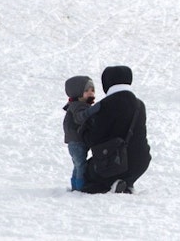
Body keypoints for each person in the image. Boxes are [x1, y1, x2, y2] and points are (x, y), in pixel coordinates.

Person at [77, 65, 150, 195]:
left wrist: (83, 131)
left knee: (88, 172)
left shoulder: (105, 105)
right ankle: (125, 184)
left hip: (114, 163)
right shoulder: (140, 104)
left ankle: (111, 185)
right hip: (140, 162)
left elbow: (94, 138)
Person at [62, 77, 95, 191]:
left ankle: (75, 186)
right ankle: (80, 187)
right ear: (78, 93)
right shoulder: (78, 106)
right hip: (76, 141)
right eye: (86, 91)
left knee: (78, 164)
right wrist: (93, 111)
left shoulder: (79, 105)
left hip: (76, 141)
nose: (90, 93)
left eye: (92, 90)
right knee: (81, 165)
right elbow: (80, 118)